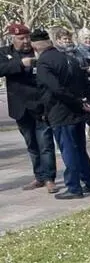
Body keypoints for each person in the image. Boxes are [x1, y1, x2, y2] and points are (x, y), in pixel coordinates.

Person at [31, 29, 90, 200]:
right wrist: (86, 103)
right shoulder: (69, 58)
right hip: (77, 111)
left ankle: (74, 187)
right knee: (80, 150)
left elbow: (55, 89)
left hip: (61, 111)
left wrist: (77, 102)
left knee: (68, 150)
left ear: (35, 45)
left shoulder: (44, 63)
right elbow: (85, 83)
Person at [1, 23, 56, 193]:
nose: (26, 41)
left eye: (27, 37)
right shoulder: (5, 52)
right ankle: (39, 175)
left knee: (45, 143)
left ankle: (49, 178)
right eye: (21, 38)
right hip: (19, 107)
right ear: (12, 38)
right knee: (31, 143)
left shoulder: (38, 51)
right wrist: (21, 64)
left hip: (40, 105)